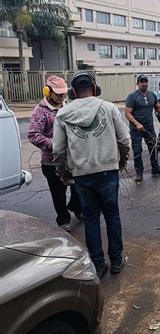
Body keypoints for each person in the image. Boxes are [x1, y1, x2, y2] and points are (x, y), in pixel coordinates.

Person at [52, 72, 130, 278]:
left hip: (82, 175)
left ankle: (97, 264)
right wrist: (120, 162)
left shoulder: (62, 114)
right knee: (112, 216)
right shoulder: (109, 108)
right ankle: (116, 261)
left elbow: (58, 150)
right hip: (108, 172)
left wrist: (64, 174)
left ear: (73, 92)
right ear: (95, 89)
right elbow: (124, 140)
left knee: (92, 220)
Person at [28, 75, 82, 232]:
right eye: (58, 93)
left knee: (78, 186)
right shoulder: (41, 112)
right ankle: (63, 219)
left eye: (63, 93)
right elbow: (33, 135)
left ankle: (76, 207)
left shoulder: (66, 106)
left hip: (71, 159)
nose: (61, 96)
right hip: (51, 161)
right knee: (58, 192)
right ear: (47, 91)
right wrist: (56, 145)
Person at [125, 75, 160, 183]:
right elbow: (127, 113)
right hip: (136, 129)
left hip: (149, 128)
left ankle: (155, 169)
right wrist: (137, 124)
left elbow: (157, 107)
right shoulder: (132, 96)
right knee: (137, 151)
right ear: (137, 83)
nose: (144, 83)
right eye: (142, 82)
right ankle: (139, 173)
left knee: (153, 148)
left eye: (146, 81)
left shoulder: (152, 95)